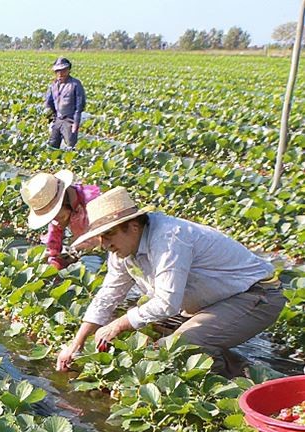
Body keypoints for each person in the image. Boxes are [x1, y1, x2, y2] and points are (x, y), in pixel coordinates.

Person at [54, 187, 285, 377]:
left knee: (180, 346)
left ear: (133, 226)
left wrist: (117, 325)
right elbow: (108, 295)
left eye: (109, 235)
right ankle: (235, 365)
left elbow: (166, 303)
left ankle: (244, 386)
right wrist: (77, 344)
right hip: (206, 301)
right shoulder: (122, 250)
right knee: (142, 332)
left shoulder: (169, 238)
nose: (105, 244)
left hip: (254, 296)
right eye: (101, 237)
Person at [20, 170, 102, 271]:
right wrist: (53, 263)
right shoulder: (60, 217)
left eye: (55, 214)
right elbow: (53, 245)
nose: (55, 220)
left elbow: (101, 240)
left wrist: (75, 251)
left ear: (65, 201)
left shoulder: (94, 205)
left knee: (90, 262)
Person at [45, 56, 86, 149]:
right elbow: (49, 103)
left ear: (68, 70)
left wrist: (75, 123)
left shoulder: (75, 84)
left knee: (70, 146)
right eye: (58, 71)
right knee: (52, 145)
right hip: (58, 119)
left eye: (63, 70)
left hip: (69, 120)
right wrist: (51, 119)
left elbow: (79, 106)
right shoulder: (53, 85)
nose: (60, 73)